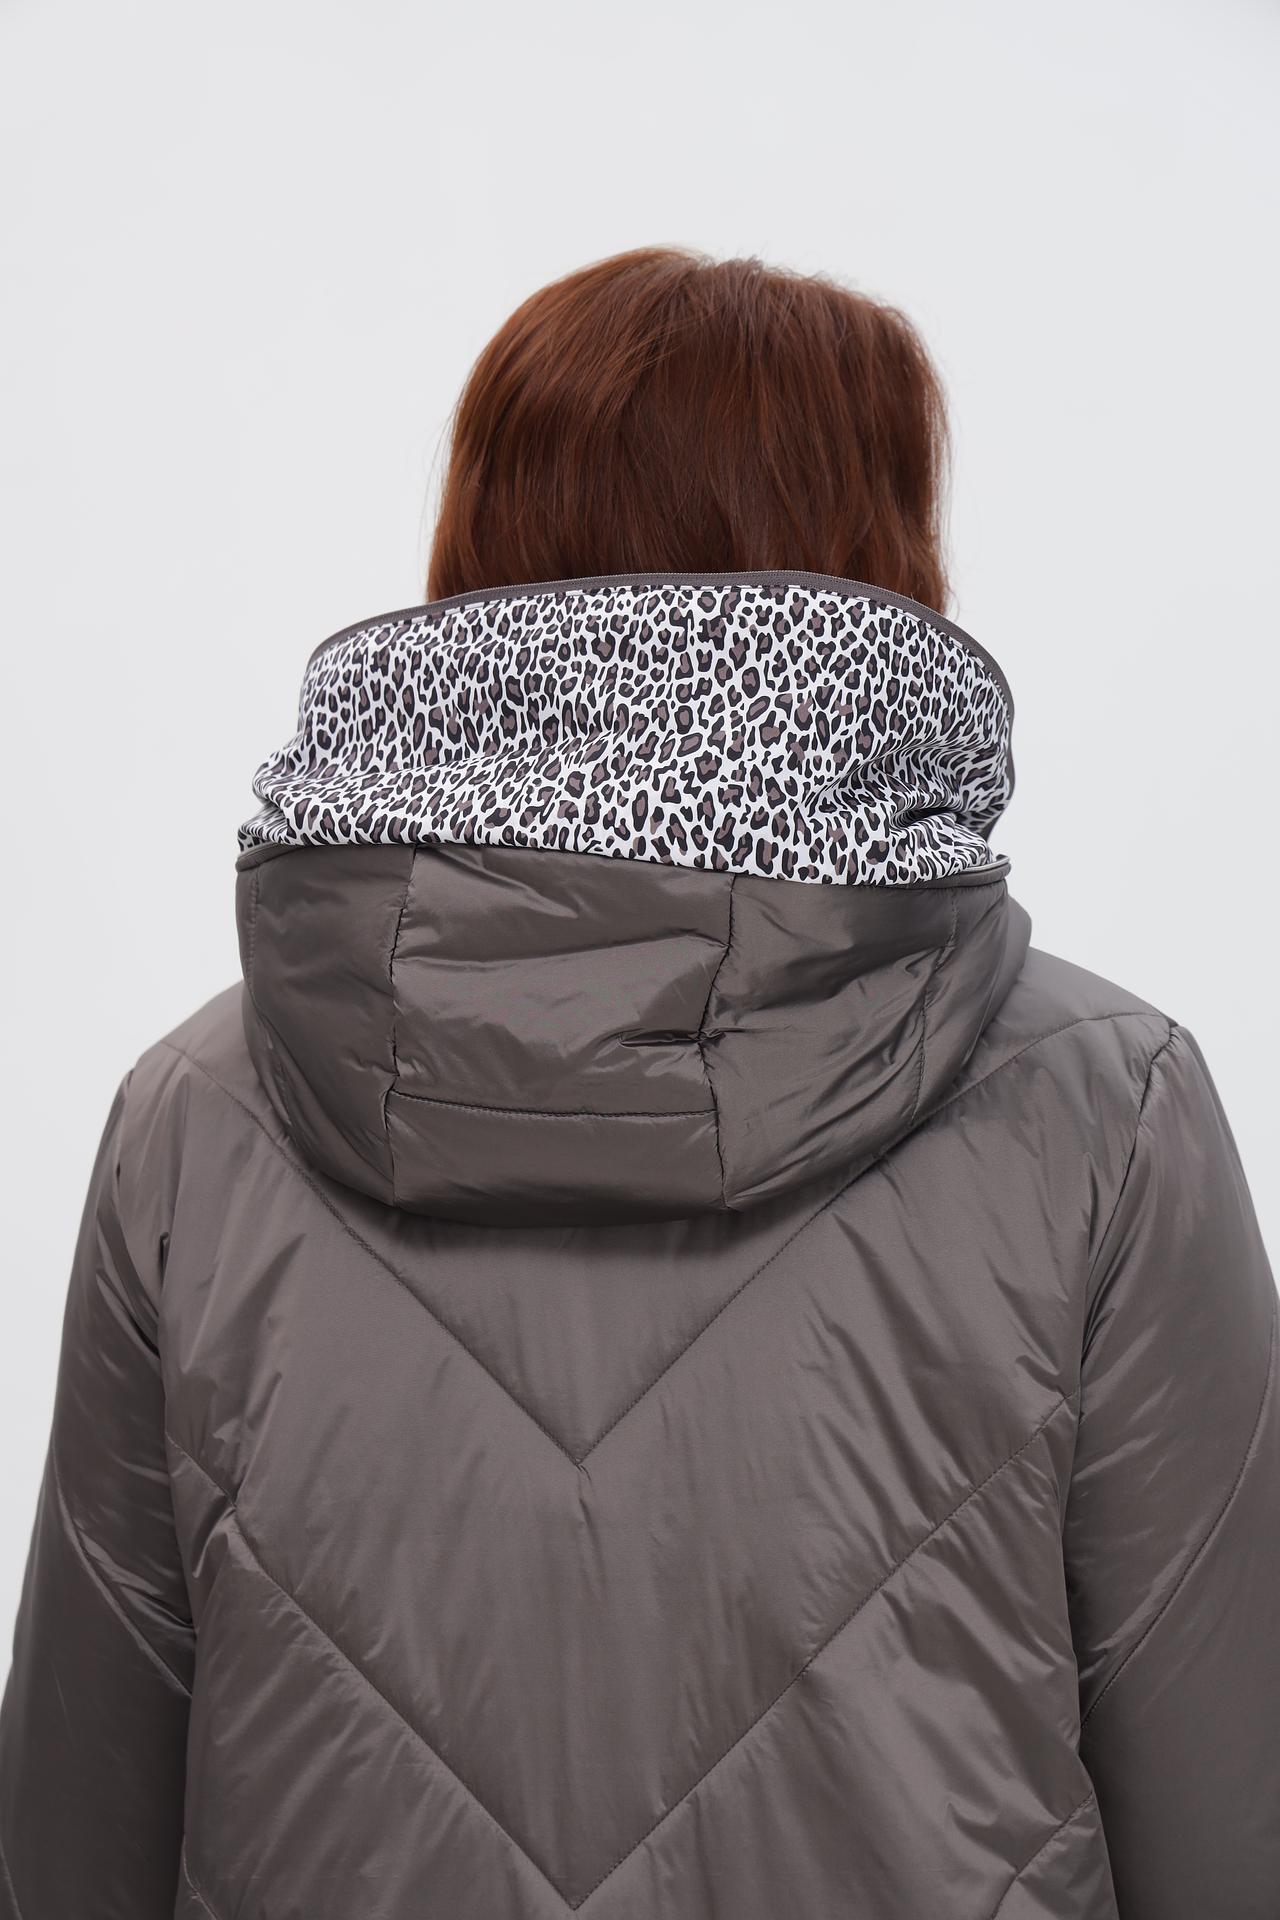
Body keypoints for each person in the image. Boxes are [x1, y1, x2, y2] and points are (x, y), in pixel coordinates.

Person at [1, 247, 1276, 1920]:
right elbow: (1237, 1833)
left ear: (476, 560)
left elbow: (70, 1846)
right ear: (885, 570)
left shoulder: (195, 1122)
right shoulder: (1105, 1115)